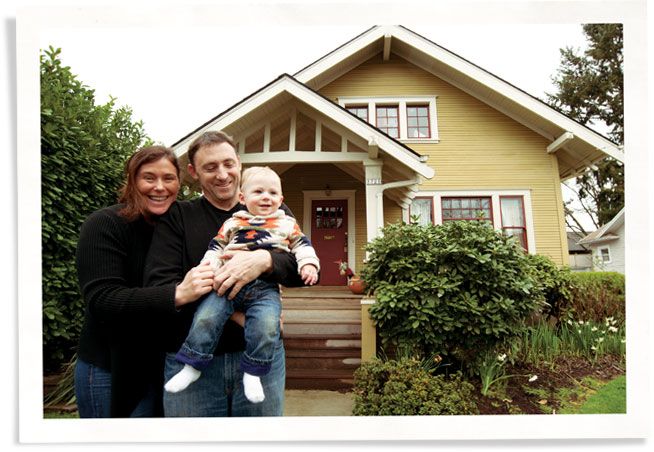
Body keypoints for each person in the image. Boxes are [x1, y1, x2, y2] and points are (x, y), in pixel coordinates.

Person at [144, 131, 307, 417]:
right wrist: (239, 315)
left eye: (228, 164)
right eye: (210, 167)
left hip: (261, 359)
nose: (222, 174)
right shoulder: (178, 217)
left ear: (239, 164)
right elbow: (162, 285)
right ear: (193, 172)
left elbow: (297, 269)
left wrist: (264, 260)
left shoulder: (273, 210)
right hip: (192, 360)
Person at [74, 145, 212, 417]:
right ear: (133, 181)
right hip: (110, 369)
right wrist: (176, 294)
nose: (159, 187)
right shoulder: (104, 224)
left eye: (168, 178)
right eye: (149, 177)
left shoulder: (180, 228)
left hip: (163, 366)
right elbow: (102, 299)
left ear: (179, 183)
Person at [163, 166, 320, 402]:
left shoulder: (287, 224)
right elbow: (215, 248)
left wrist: (309, 265)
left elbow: (302, 246)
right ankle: (192, 364)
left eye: (272, 193)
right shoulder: (233, 223)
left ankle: (253, 371)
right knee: (206, 317)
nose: (266, 197)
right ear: (243, 198)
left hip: (264, 288)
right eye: (258, 192)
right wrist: (209, 269)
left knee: (267, 325)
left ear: (281, 199)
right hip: (227, 283)